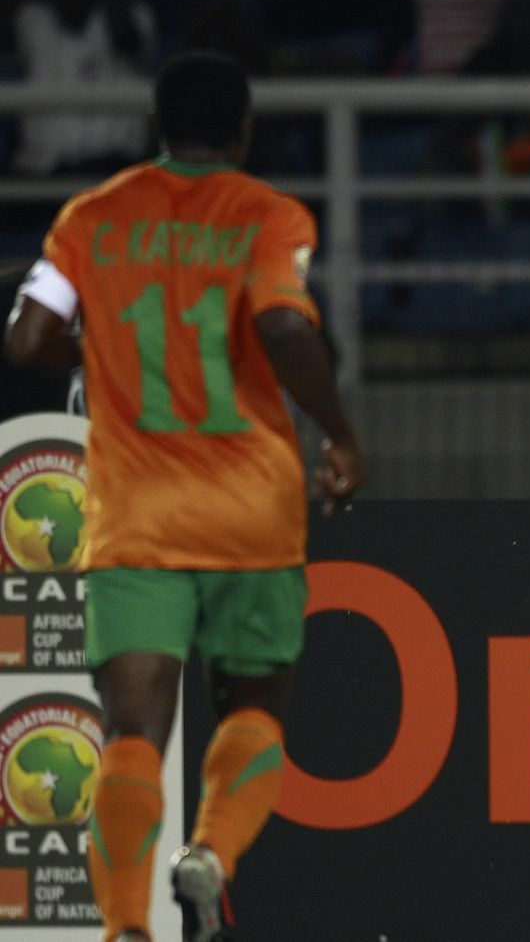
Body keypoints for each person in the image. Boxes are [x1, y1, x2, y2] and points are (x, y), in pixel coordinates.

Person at [3, 51, 365, 942]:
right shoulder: (267, 213)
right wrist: (342, 435)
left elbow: (28, 336)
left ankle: (127, 926)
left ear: (156, 129)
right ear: (242, 131)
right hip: (250, 505)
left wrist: (99, 356)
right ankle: (208, 855)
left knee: (131, 727)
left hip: (136, 513)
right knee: (252, 711)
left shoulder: (90, 216)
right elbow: (283, 321)